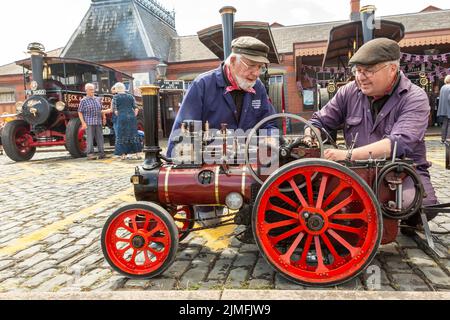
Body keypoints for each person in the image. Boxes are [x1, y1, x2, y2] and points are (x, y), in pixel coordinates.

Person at [304, 37, 438, 229]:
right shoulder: (348, 92)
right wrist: (310, 135)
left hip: (399, 173)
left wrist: (346, 155)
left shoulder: (415, 97)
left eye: (369, 71)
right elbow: (319, 121)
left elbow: (400, 143)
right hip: (357, 171)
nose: (361, 77)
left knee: (418, 206)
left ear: (392, 69)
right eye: (358, 71)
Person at [166, 36, 277, 240]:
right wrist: (178, 173)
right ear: (232, 61)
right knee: (210, 222)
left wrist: (270, 139)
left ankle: (256, 219)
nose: (256, 73)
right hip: (211, 168)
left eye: (260, 67)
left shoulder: (258, 88)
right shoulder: (203, 84)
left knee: (269, 188)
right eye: (252, 65)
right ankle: (211, 206)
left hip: (248, 164)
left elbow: (270, 122)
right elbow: (184, 129)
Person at [113, 82, 142, 160]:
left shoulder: (115, 97)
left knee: (121, 134)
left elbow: (115, 110)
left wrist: (119, 115)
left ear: (117, 89)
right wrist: (133, 115)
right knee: (133, 134)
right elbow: (136, 108)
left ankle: (123, 155)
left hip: (122, 117)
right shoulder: (130, 96)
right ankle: (138, 154)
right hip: (131, 117)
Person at [78, 83, 106, 160]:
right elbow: (80, 112)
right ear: (86, 90)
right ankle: (90, 154)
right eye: (90, 90)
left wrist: (104, 117)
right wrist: (83, 123)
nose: (92, 91)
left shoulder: (98, 99)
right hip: (89, 122)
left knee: (100, 138)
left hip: (98, 121)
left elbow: (101, 109)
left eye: (93, 89)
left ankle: (101, 153)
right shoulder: (83, 101)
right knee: (89, 138)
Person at [437, 75, 450, 145]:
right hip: (449, 108)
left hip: (443, 109)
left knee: (444, 124)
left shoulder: (442, 87)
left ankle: (443, 139)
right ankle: (448, 139)